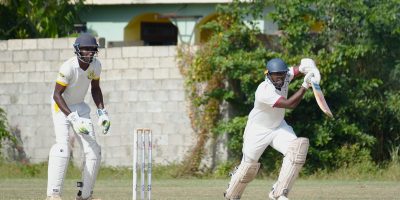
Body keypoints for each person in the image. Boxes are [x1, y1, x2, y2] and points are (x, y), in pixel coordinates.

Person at [224, 58, 320, 200]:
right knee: (248, 168)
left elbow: (297, 69)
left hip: (278, 127)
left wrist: (309, 68)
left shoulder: (284, 76)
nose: (280, 78)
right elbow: (289, 104)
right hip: (257, 131)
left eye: (282, 74)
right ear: (268, 74)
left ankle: (278, 193)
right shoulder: (264, 90)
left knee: (297, 149)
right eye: (276, 75)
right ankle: (232, 191)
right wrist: (305, 85)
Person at [46, 33, 111, 200]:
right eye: (86, 49)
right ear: (77, 50)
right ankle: (53, 195)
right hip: (61, 106)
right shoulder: (68, 67)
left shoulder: (96, 66)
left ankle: (85, 195)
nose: (89, 52)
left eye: (92, 50)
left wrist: (102, 112)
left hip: (80, 107)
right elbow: (56, 95)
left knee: (94, 151)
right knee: (63, 148)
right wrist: (72, 118)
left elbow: (95, 89)